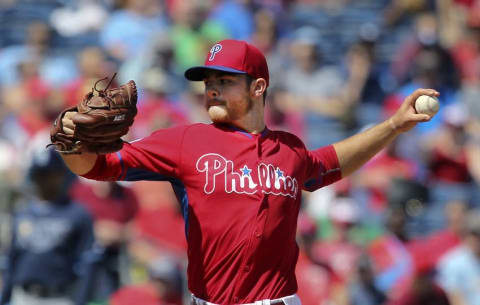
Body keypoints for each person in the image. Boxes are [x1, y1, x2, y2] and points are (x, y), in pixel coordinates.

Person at [55, 39, 438, 305]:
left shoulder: (289, 149)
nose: (212, 90)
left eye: (224, 81)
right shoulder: (185, 141)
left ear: (257, 87)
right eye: (209, 83)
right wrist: (72, 144)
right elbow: (98, 167)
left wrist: (393, 126)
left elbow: (330, 163)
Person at [0, 147, 94, 305]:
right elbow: (12, 259)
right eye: (39, 175)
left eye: (49, 174)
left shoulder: (77, 214)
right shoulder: (23, 212)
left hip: (59, 297)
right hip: (22, 296)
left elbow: (86, 262)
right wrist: (5, 297)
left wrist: (81, 299)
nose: (43, 180)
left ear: (61, 175)